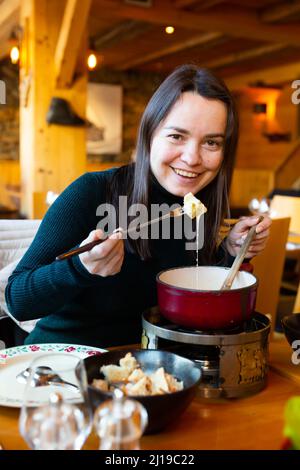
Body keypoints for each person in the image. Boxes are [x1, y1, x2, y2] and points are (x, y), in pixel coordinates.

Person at [5, 64, 271, 347]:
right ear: (149, 135)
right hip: (64, 361)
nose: (192, 158)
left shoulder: (199, 203)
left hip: (151, 365)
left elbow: (193, 297)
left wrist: (231, 251)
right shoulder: (94, 192)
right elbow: (18, 300)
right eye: (177, 136)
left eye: (211, 142)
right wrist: (81, 268)